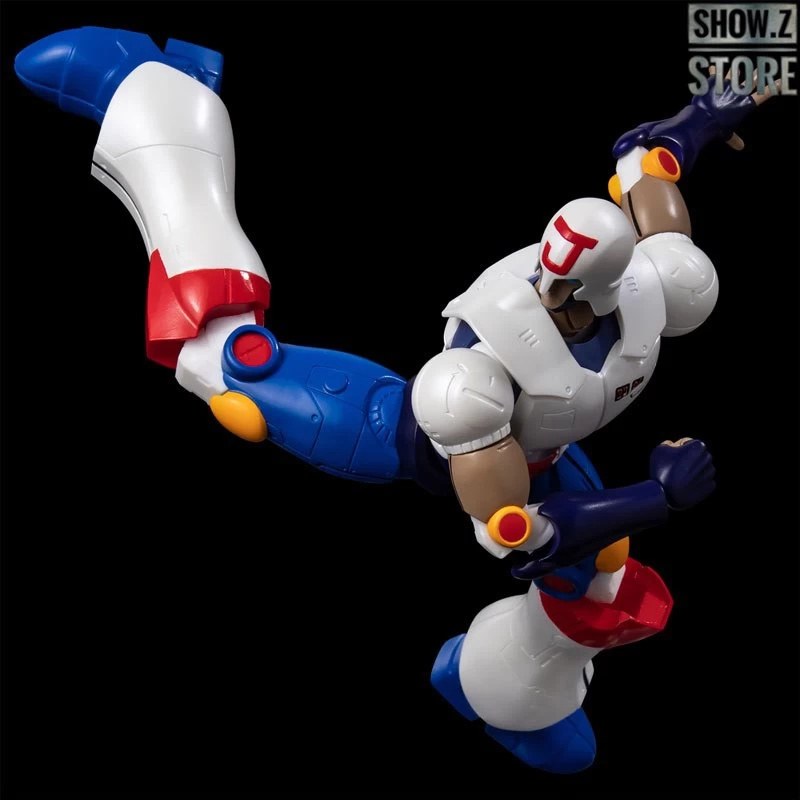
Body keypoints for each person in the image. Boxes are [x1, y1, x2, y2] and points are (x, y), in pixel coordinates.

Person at [14, 26, 778, 773]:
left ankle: (505, 695)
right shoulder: (475, 371)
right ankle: (162, 112)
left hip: (544, 452)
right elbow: (518, 532)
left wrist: (700, 118)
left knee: (598, 585)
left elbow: (647, 170)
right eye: (550, 282)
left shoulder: (658, 285)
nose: (552, 295)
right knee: (219, 355)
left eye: (571, 291)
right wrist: (654, 498)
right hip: (421, 436)